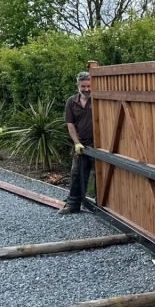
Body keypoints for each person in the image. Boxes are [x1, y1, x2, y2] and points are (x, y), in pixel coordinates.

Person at [59, 71, 93, 215]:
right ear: (77, 86)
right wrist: (76, 143)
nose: (86, 89)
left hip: (99, 146)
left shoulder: (99, 100)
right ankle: (73, 205)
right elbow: (70, 124)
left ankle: (100, 206)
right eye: (83, 86)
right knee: (77, 174)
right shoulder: (72, 102)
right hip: (82, 145)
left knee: (101, 177)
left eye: (89, 86)